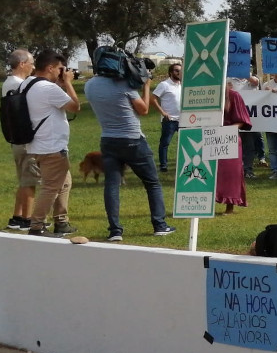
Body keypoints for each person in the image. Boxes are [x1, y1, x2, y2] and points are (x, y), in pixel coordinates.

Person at [85, 56, 175, 241]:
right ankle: (160, 225)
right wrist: (147, 86)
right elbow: (143, 110)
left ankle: (115, 231)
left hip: (108, 140)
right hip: (133, 140)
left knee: (112, 184)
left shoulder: (90, 85)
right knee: (152, 183)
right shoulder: (124, 85)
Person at [24, 49, 80, 237]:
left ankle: (61, 222)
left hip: (37, 145)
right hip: (52, 147)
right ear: (50, 68)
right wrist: (68, 83)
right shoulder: (48, 88)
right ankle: (36, 227)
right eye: (60, 69)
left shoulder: (27, 84)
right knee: (50, 187)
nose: (62, 73)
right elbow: (75, 107)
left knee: (65, 183)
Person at [3, 49, 38, 230]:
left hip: (16, 138)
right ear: (22, 64)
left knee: (23, 180)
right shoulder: (20, 85)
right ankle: (27, 219)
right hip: (25, 139)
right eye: (31, 63)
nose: (33, 67)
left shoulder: (9, 83)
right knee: (29, 182)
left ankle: (17, 216)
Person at [216, 84, 251, 215]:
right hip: (210, 137)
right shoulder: (207, 94)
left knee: (230, 173)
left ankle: (230, 205)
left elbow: (241, 121)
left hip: (229, 138)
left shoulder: (234, 95)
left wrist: (225, 131)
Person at [150, 62, 182, 172]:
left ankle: (183, 164)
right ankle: (163, 165)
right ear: (170, 72)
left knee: (185, 142)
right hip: (170, 120)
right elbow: (152, 99)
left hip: (183, 119)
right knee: (165, 143)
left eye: (180, 71)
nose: (179, 72)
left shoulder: (183, 84)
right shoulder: (164, 85)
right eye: (176, 70)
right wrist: (163, 113)